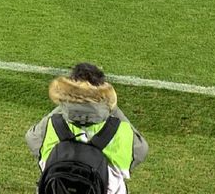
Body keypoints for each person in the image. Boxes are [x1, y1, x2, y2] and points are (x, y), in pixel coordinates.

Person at [26, 63, 148, 194]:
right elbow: (140, 151)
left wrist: (67, 102)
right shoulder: (121, 131)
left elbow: (33, 140)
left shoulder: (51, 125)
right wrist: (110, 106)